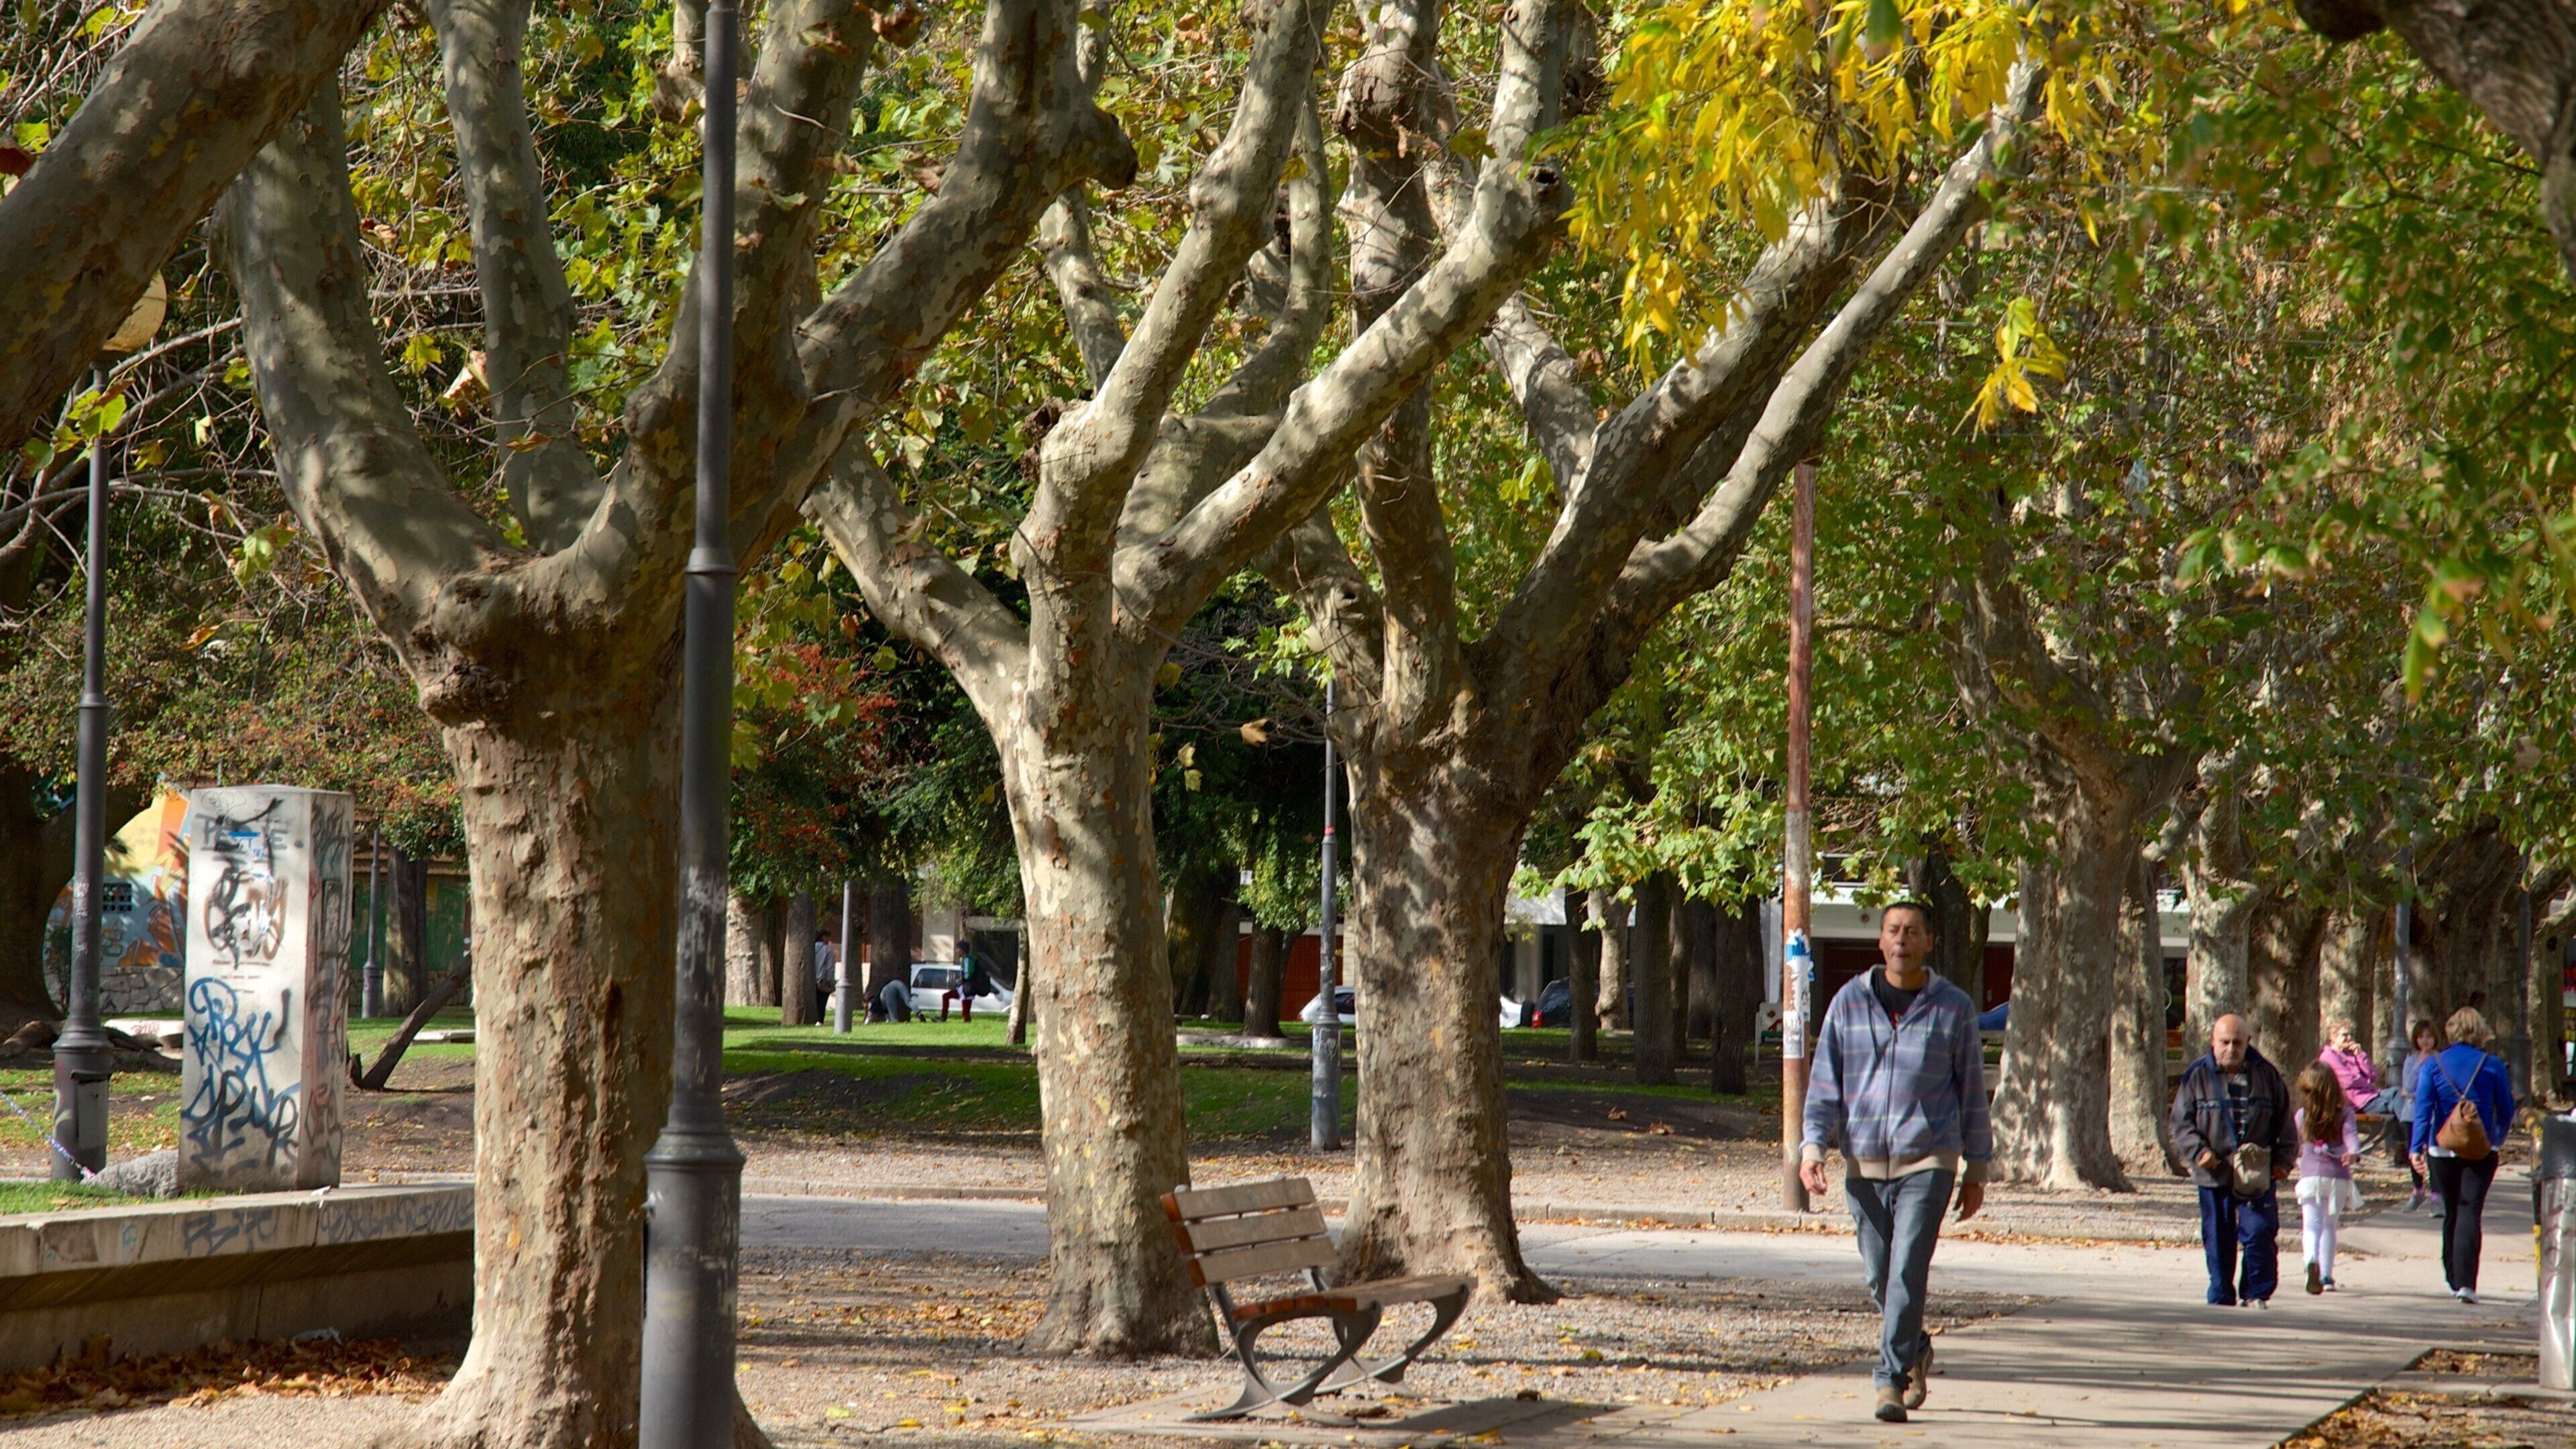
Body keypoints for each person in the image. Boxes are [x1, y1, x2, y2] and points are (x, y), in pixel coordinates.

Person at [1800, 900, 1990, 1425]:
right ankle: (1916, 1346)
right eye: (1892, 931)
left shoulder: (1953, 1007)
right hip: (1863, 1160)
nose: (1902, 939)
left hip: (1929, 1158)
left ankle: (1890, 1379)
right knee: (1880, 1277)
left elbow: (1973, 1092)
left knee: (1906, 1270)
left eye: (1912, 931)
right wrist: (1812, 1147)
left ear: (1929, 941)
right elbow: (1823, 1085)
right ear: (1880, 942)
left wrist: (1977, 1168)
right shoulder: (1847, 1003)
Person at [2171, 1014, 2298, 1307]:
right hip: (2213, 1173)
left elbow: (2285, 1122)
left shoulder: (2267, 1074)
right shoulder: (2196, 1075)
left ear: (2248, 1043)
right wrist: (2198, 1151)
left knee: (2261, 1231)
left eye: (2237, 1043)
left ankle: (2256, 1292)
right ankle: (2221, 1295)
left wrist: (2284, 1160)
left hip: (2255, 1173)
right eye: (2224, 1042)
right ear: (2213, 1043)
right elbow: (2181, 1122)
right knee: (2218, 1237)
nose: (2231, 1048)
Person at [2409, 1006, 2515, 1304]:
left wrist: (2415, 1148)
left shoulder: (2434, 1065)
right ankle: (2468, 1283)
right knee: (2471, 1211)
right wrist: (2496, 1138)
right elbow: (2506, 1109)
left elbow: (2423, 1110)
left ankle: (2453, 1277)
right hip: (2481, 1148)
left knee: (2452, 1211)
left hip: (2441, 1147)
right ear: (2480, 1031)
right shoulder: (2493, 1065)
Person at [2292, 1061, 2362, 1295]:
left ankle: (2310, 1261)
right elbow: (2352, 1139)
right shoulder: (2345, 1114)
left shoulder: (2302, 1115)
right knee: (2330, 1227)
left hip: (2310, 1178)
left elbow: (2296, 1147)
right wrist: (2352, 1154)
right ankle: (2327, 1276)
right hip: (2338, 1179)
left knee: (2311, 1227)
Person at [2396, 1019, 2441, 1210]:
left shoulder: (2440, 1059)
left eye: (2429, 1037)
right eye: (2421, 1037)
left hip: (2433, 1114)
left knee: (2434, 1154)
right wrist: (2419, 1064)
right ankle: (2418, 1190)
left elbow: (2438, 1089)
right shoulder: (2411, 1060)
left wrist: (2414, 1095)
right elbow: (2407, 1086)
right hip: (2411, 1114)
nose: (2425, 1041)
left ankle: (2437, 1196)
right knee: (2413, 1152)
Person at [2317, 1021, 2387, 1114]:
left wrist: (2360, 1055)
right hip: (2355, 1102)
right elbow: (2349, 1081)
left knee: (2398, 1094)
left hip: (2371, 1094)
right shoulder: (2329, 1056)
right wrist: (2367, 1082)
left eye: (2351, 1035)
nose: (2349, 1038)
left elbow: (2373, 1076)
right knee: (2396, 1104)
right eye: (2345, 1035)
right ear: (2333, 1037)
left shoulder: (2352, 1054)